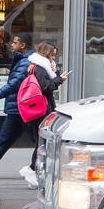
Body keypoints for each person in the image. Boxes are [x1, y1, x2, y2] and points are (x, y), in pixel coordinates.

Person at [0, 33, 33, 178]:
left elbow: (13, 86)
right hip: (18, 110)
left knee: (40, 143)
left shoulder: (25, 62)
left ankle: (36, 169)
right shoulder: (22, 60)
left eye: (15, 42)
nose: (11, 45)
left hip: (23, 110)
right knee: (4, 139)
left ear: (23, 45)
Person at [20, 40, 67, 187]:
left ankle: (35, 175)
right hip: (40, 110)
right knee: (43, 142)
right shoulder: (39, 68)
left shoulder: (42, 67)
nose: (54, 58)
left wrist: (57, 74)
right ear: (46, 54)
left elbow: (51, 79)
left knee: (43, 142)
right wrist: (60, 80)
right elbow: (47, 86)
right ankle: (31, 169)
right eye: (52, 56)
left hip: (40, 109)